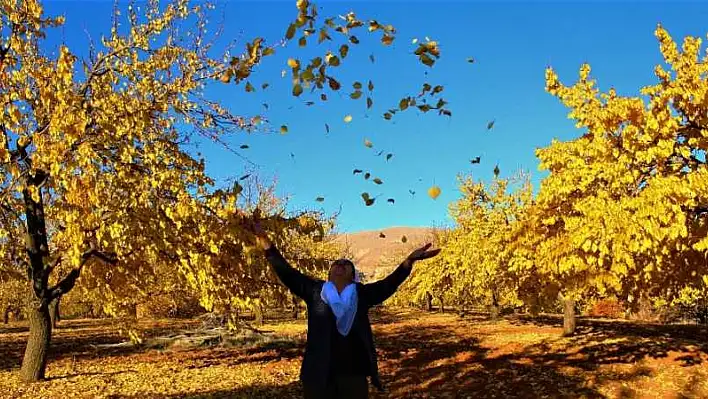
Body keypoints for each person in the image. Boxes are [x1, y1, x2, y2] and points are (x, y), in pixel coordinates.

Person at [246, 219, 441, 399]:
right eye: (336, 264)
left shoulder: (361, 293)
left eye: (346, 264)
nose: (340, 265)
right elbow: (285, 271)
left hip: (353, 374)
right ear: (329, 273)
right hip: (318, 374)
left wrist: (409, 261)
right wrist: (263, 239)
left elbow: (389, 284)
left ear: (353, 275)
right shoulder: (315, 291)